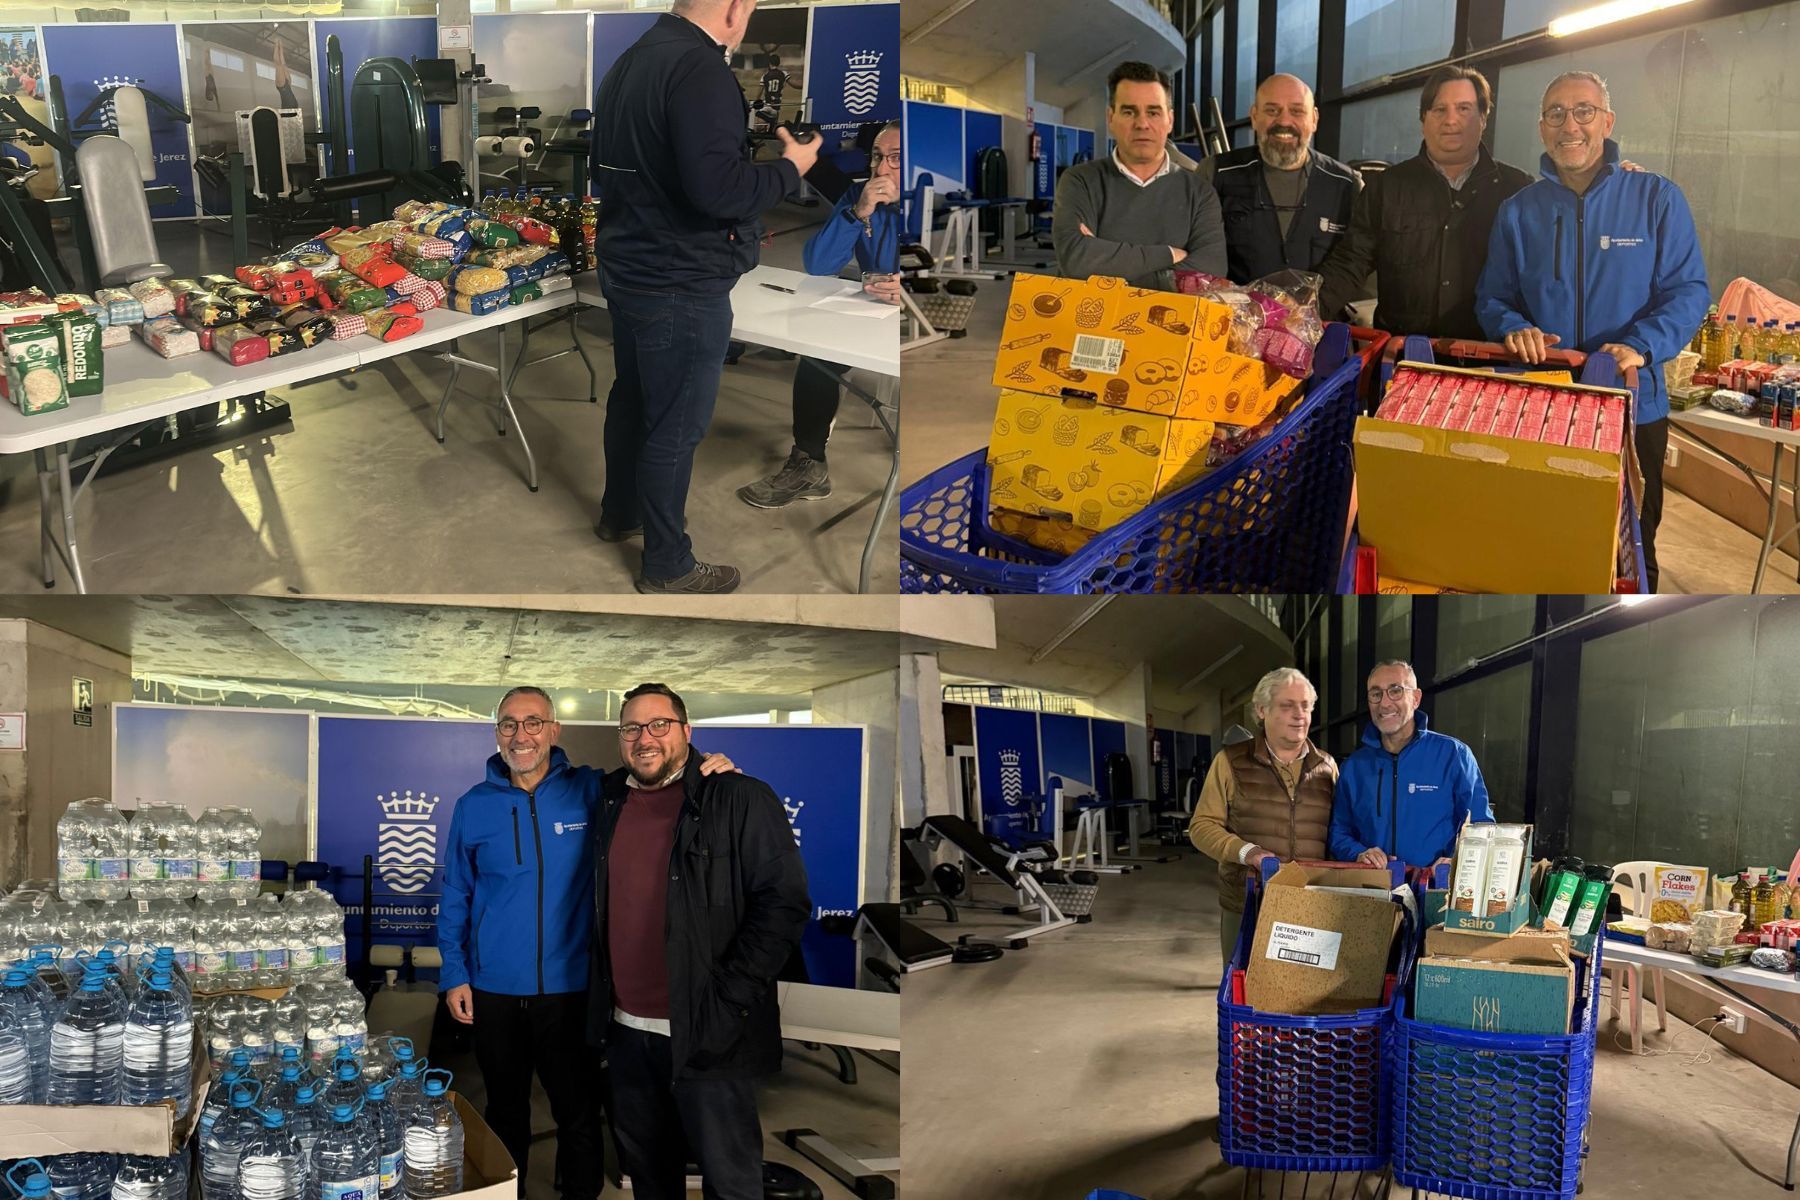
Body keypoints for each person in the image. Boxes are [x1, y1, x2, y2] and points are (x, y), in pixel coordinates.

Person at [437, 686, 737, 1200]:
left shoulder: (594, 790)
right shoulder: (473, 806)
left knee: (577, 1110)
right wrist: (455, 972)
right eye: (509, 724)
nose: (521, 734)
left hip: (574, 987)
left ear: (555, 731)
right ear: (497, 735)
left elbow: (658, 772)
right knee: (504, 1108)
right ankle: (508, 1193)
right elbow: (457, 893)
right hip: (494, 988)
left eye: (534, 722)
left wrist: (708, 765)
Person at [592, 0, 822, 594]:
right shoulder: (701, 69)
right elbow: (719, 190)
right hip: (679, 279)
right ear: (735, 7)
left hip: (629, 266)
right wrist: (790, 167)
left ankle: (621, 514)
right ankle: (668, 564)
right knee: (674, 425)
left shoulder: (630, 60)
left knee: (633, 398)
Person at [1475, 71, 1709, 593]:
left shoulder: (1656, 198)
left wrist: (1641, 345)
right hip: (1544, 403)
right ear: (1541, 127)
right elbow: (1493, 297)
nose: (1570, 126)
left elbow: (1688, 290)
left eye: (1583, 111)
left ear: (1608, 120)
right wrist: (1515, 328)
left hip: (1632, 407)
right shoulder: (1518, 212)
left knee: (1632, 543)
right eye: (1555, 113)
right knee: (1543, 534)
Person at [588, 683, 811, 1200]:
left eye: (658, 725)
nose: (644, 738)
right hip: (626, 1032)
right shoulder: (608, 800)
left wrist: (727, 1002)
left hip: (709, 1034)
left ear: (687, 732)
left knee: (730, 1181)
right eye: (631, 728)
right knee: (649, 1177)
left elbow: (783, 904)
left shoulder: (739, 796)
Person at [738, 120, 901, 509]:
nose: (881, 170)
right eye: (878, 157)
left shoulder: (931, 200)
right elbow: (817, 264)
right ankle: (810, 464)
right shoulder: (860, 196)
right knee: (816, 355)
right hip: (876, 310)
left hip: (925, 317)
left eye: (895, 159)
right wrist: (858, 212)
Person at [1317, 67, 1532, 338]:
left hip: (1487, 358)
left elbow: (1537, 275)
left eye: (1464, 109)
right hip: (1403, 355)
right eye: (1439, 109)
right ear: (1423, 119)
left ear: (1483, 117)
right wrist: (1303, 312)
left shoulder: (1517, 189)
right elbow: (1351, 262)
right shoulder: (1387, 187)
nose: (1450, 120)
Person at [1188, 667, 1338, 963]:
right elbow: (1202, 826)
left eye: (1306, 705)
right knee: (1243, 998)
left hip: (1310, 905)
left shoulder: (1327, 767)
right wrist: (1248, 852)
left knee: (1302, 996)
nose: (1300, 714)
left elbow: (1338, 832)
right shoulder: (1230, 762)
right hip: (1247, 904)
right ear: (1261, 710)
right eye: (1287, 705)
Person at [1051, 61, 1226, 290]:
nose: (1142, 124)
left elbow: (1210, 271)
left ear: (1169, 120)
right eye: (1129, 112)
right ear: (1110, 118)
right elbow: (1077, 260)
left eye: (1153, 112)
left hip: (1171, 323)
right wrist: (1170, 255)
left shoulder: (1199, 192)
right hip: (1090, 323)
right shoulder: (1080, 181)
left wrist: (1109, 268)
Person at [1328, 660, 1493, 872]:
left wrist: (1459, 861)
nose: (1385, 703)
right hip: (1374, 891)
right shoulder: (1354, 767)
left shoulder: (1453, 755)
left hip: (1437, 891)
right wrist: (1358, 853)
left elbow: (1482, 826)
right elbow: (1339, 833)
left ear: (1415, 698)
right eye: (1376, 694)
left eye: (1395, 691)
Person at [1202, 74, 1362, 284]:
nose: (1284, 121)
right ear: (1254, 116)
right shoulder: (1215, 173)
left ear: (1314, 119)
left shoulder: (1347, 185)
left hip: (1320, 314)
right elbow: (1198, 262)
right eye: (1272, 110)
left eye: (1296, 111)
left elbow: (1358, 263)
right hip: (1234, 314)